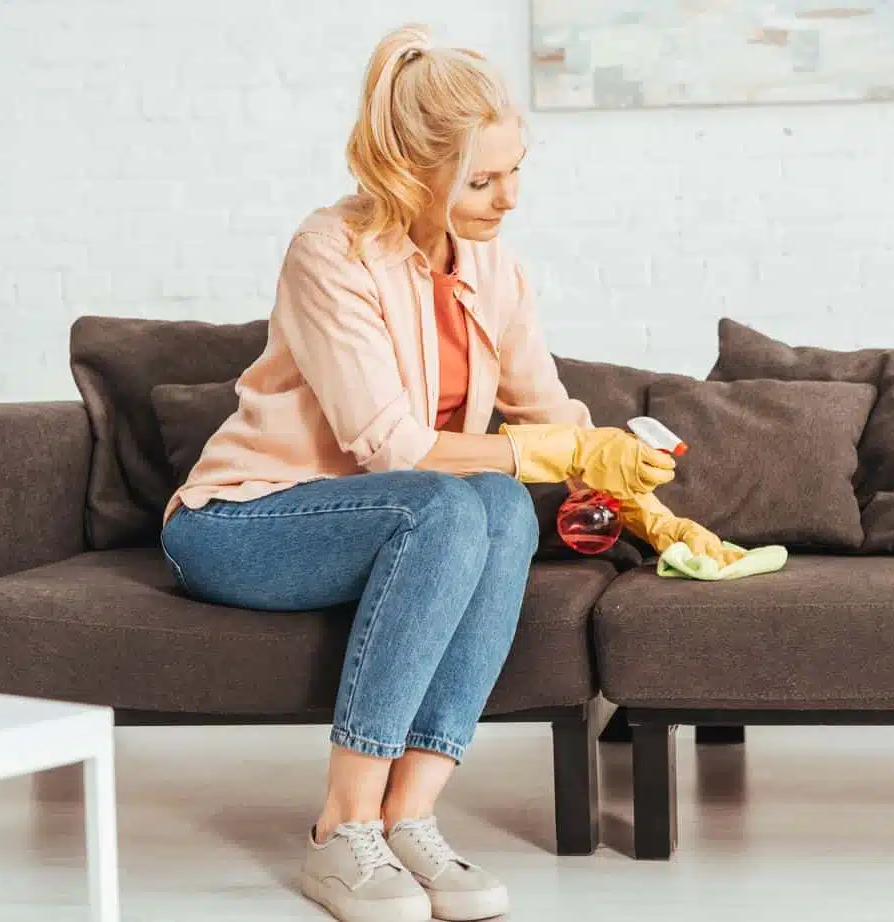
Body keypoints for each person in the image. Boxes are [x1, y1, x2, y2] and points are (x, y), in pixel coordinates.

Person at [158, 21, 741, 922]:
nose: (508, 198)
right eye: (482, 180)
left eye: (516, 171)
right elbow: (389, 446)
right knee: (443, 501)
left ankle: (409, 815)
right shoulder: (331, 252)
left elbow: (549, 413)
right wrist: (562, 452)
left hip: (402, 518)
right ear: (411, 171)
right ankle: (340, 829)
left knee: (500, 505)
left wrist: (643, 504)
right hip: (245, 522)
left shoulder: (494, 268)